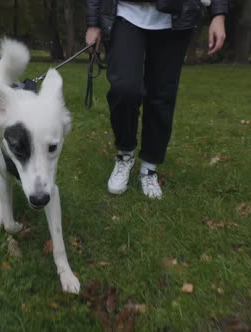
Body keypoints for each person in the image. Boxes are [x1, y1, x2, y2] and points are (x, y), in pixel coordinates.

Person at [85, 0, 228, 199]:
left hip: (175, 20)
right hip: (125, 14)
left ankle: (149, 168)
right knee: (125, 89)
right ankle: (125, 154)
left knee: (162, 95)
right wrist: (93, 23)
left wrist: (218, 14)